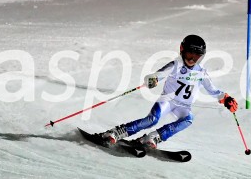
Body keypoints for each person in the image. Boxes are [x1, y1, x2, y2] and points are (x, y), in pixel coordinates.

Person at [101, 34, 238, 148]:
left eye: (196, 57)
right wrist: (152, 79)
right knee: (152, 120)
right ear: (182, 50)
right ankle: (115, 133)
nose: (192, 59)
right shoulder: (176, 65)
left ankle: (152, 138)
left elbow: (212, 90)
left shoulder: (201, 72)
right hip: (167, 100)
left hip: (183, 106)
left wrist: (226, 99)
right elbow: (158, 75)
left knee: (188, 119)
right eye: (190, 54)